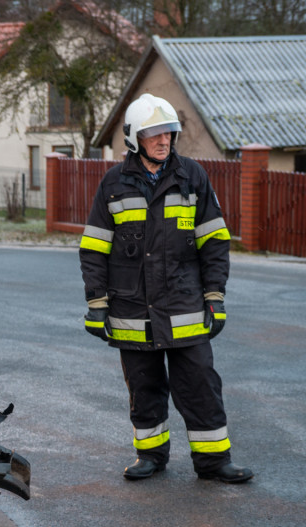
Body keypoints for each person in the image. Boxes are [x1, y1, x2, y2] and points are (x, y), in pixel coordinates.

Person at [79, 93, 253, 484]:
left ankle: (213, 463)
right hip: (131, 311)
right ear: (134, 138)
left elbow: (214, 242)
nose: (163, 140)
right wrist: (96, 302)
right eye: (154, 133)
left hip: (185, 306)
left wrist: (215, 297)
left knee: (201, 385)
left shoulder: (193, 177)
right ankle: (150, 456)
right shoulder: (113, 184)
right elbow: (93, 248)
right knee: (144, 387)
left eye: (169, 133)